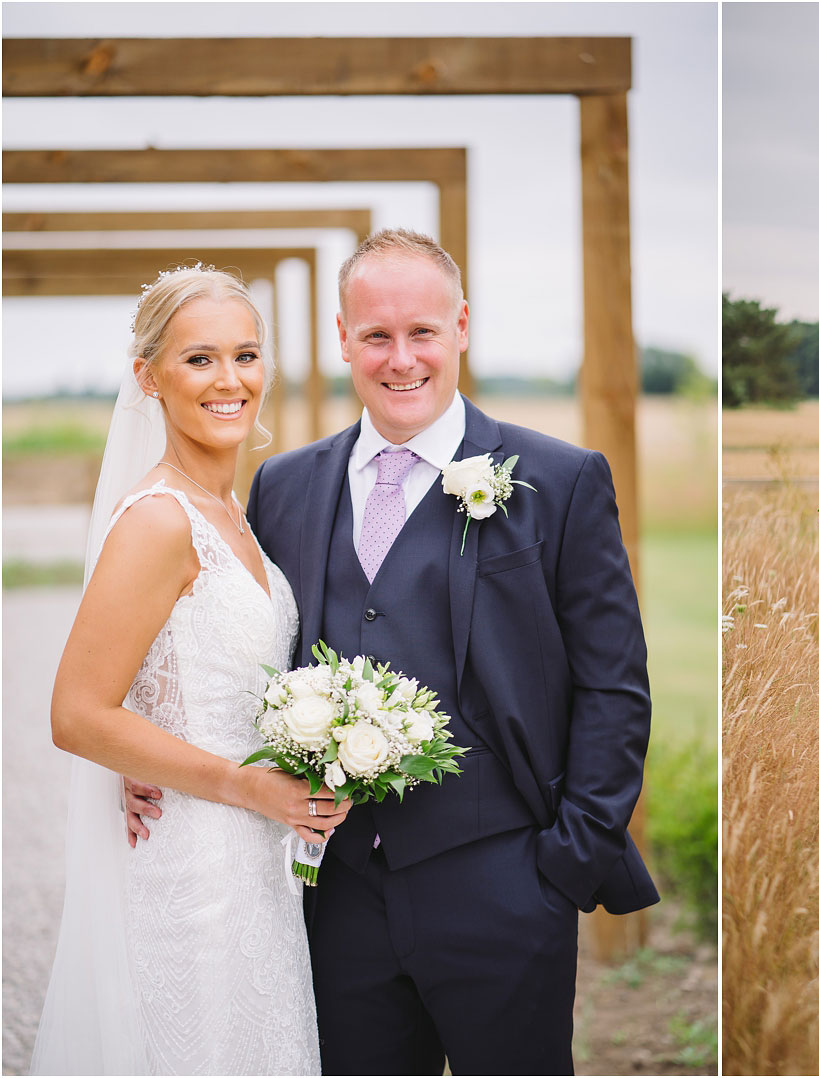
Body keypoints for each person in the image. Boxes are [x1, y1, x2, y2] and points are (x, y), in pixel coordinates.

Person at [128, 229, 657, 1074]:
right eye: (376, 335)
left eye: (423, 333)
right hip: (330, 894)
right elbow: (241, 648)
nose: (401, 358)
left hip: (509, 883)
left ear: (463, 328)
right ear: (343, 338)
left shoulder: (560, 480)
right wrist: (151, 749)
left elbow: (614, 687)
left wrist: (564, 864)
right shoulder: (285, 485)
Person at [33, 266, 349, 1074]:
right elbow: (77, 713)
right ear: (149, 378)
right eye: (199, 359)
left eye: (246, 355)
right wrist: (247, 785)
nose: (230, 380)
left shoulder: (234, 515)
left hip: (258, 867)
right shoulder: (158, 522)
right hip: (194, 870)